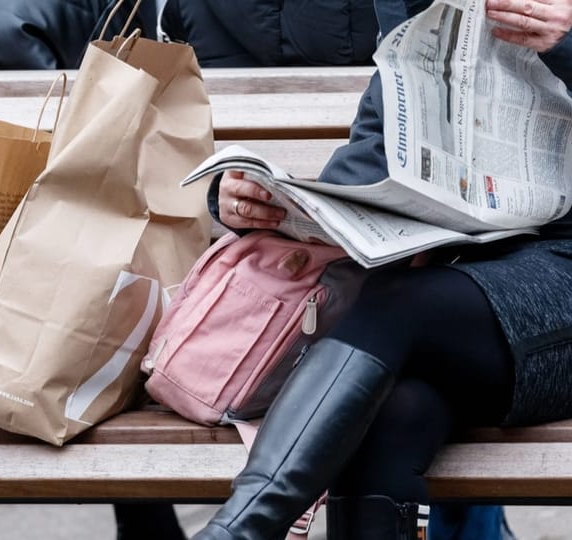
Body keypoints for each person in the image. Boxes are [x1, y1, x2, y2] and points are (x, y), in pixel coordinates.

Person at [191, 0, 572, 538]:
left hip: (547, 284)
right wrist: (257, 206)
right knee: (391, 416)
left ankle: (237, 531)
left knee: (397, 304)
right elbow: (363, 177)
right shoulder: (426, 21)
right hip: (456, 305)